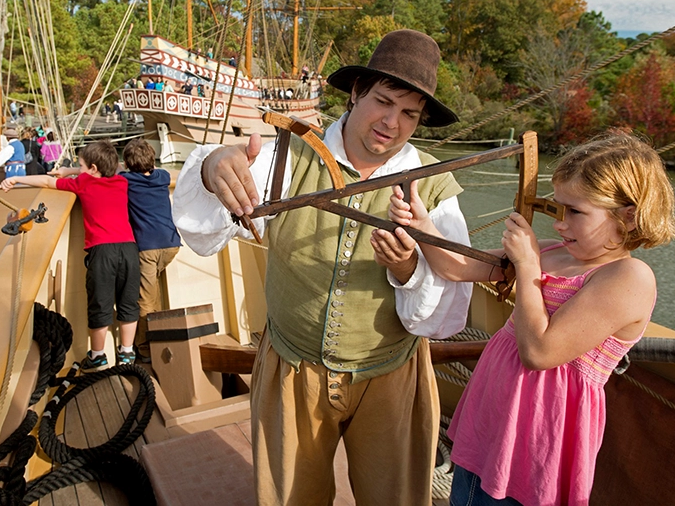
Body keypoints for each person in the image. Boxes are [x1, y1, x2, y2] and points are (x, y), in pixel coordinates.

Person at [173, 29, 470, 505]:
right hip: (293, 370)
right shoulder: (286, 156)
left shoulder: (432, 186)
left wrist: (409, 270)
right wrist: (212, 169)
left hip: (390, 374)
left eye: (409, 113)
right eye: (384, 101)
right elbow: (203, 234)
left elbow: (447, 314)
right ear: (355, 93)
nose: (391, 123)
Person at [378, 130, 675, 506]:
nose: (559, 223)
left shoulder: (627, 278)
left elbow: (539, 352)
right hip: (492, 424)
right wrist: (422, 226)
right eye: (557, 209)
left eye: (575, 212)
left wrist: (525, 264)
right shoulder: (553, 254)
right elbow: (455, 268)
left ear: (629, 218)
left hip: (535, 438)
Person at [2, 140, 140, 368]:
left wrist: (17, 179)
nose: (80, 170)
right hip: (129, 249)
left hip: (102, 250)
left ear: (92, 170)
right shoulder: (121, 181)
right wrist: (75, 169)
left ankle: (97, 355)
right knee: (128, 303)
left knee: (100, 304)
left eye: (82, 165)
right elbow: (114, 168)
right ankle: (127, 352)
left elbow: (48, 181)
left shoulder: (84, 183)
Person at [121, 138, 182, 363]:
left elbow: (113, 174)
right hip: (171, 242)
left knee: (145, 299)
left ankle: (146, 350)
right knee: (152, 289)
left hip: (147, 246)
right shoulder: (162, 177)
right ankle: (158, 331)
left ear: (127, 164)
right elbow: (162, 171)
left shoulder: (126, 181)